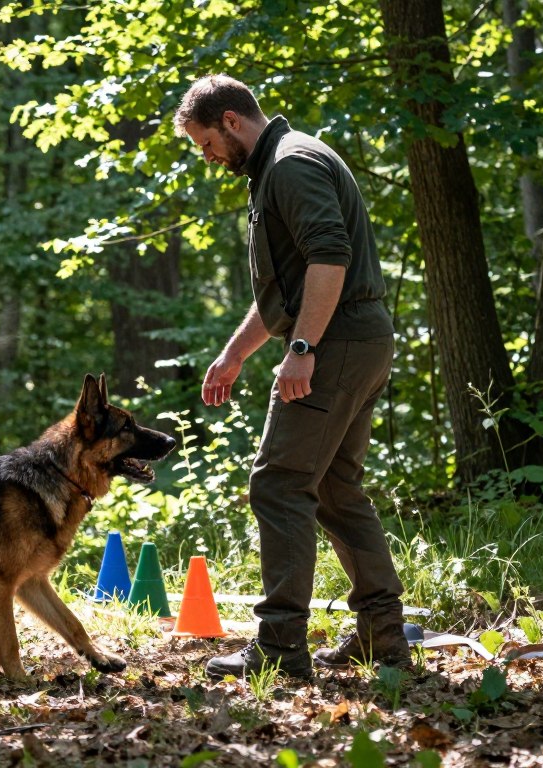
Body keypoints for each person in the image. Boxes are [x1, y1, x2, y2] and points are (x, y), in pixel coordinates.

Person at [173, 74, 411, 679]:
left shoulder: (290, 164)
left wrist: (302, 348)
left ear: (230, 121)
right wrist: (236, 354)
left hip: (337, 344)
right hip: (359, 339)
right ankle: (383, 638)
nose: (207, 157)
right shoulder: (281, 162)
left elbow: (330, 256)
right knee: (334, 488)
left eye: (205, 143)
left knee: (278, 484)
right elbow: (289, 284)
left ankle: (279, 648)